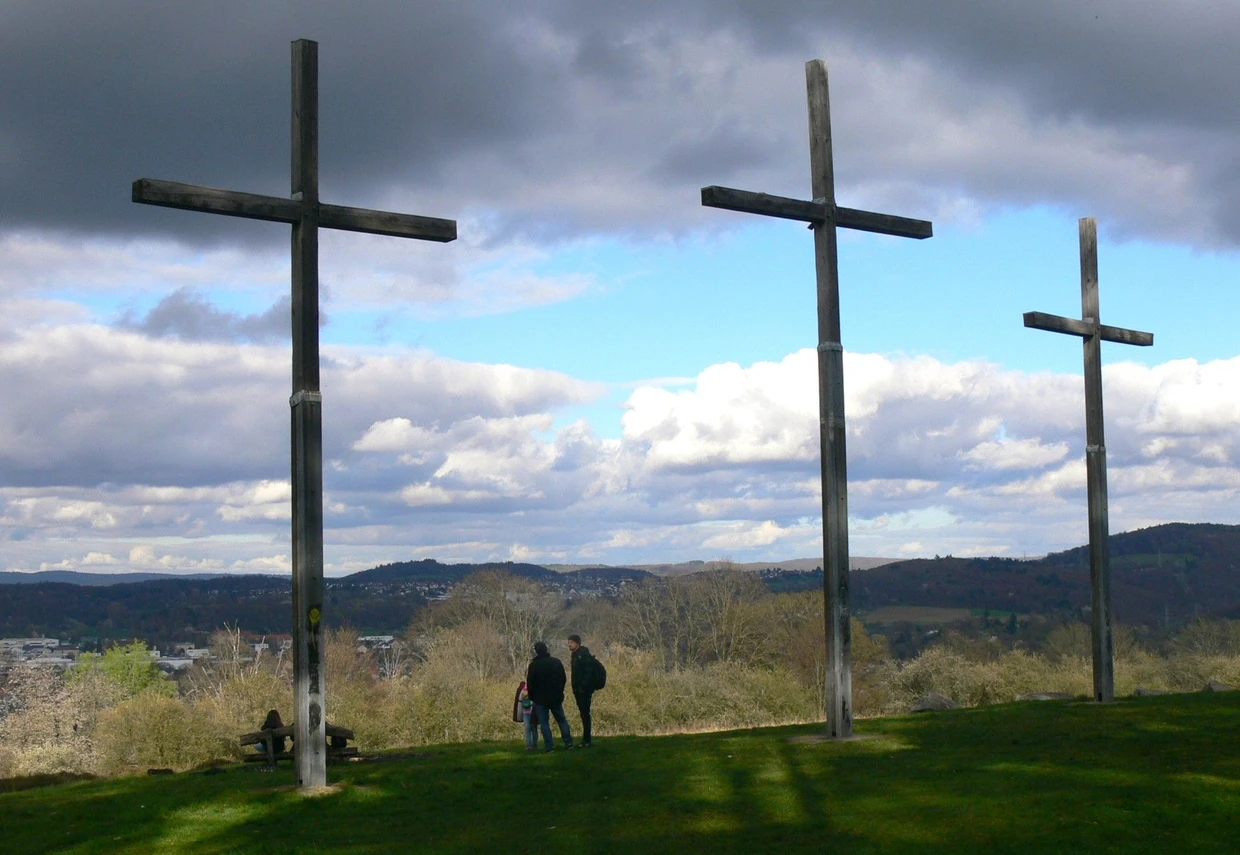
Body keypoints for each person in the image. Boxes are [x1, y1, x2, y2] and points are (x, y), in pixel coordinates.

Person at [525, 640, 573, 752]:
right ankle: (568, 743)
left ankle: (549, 746)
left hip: (540, 699)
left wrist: (532, 697)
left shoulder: (534, 665)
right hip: (555, 697)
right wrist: (560, 692)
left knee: (544, 723)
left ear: (536, 652)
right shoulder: (556, 662)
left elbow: (530, 683)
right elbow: (563, 678)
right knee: (561, 720)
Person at [568, 634, 601, 747]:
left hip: (584, 690)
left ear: (577, 643)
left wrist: (583, 686)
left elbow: (588, 673)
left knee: (585, 714)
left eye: (571, 642)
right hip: (578, 689)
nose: (569, 645)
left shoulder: (583, 655)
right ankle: (586, 739)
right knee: (583, 714)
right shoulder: (575, 655)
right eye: (569, 642)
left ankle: (587, 739)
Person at [511, 679, 539, 751]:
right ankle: (528, 746)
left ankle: (535, 745)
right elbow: (520, 700)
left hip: (534, 712)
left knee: (534, 729)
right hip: (525, 712)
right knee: (527, 728)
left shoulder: (535, 686)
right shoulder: (523, 687)